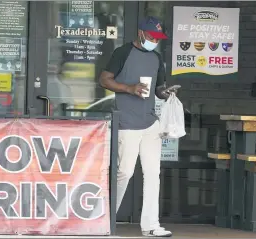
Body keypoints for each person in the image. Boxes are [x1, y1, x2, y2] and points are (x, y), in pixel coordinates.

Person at [99, 16, 175, 237]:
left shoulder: (156, 57)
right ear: (141, 33)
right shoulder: (122, 53)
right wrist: (129, 88)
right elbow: (104, 80)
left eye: (158, 37)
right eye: (151, 36)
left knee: (153, 174)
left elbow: (158, 90)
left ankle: (151, 225)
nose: (154, 40)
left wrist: (166, 92)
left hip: (150, 122)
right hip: (127, 123)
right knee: (124, 172)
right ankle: (105, 219)